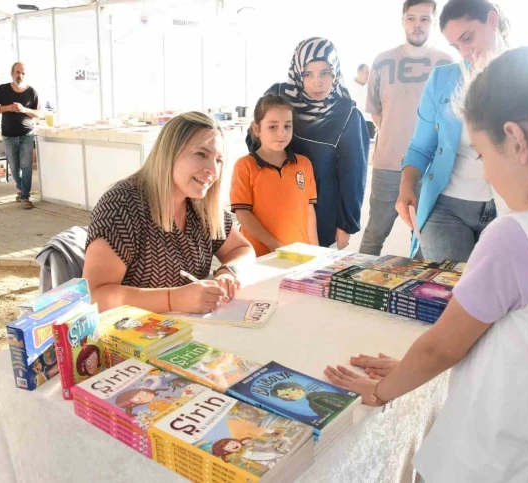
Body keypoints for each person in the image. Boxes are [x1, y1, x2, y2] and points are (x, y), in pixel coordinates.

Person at [326, 46, 528, 483]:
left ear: (516, 140)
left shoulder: (517, 237)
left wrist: (380, 391)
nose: (487, 174)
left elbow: (444, 346)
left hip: (482, 466)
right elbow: (526, 345)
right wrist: (406, 366)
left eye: (480, 155)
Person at [83, 112, 255, 314]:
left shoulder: (201, 204)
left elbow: (243, 249)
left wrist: (228, 272)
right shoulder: (121, 206)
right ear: (169, 152)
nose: (213, 171)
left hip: (191, 330)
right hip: (133, 337)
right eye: (201, 154)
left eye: (218, 160)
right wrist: (173, 300)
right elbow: (94, 297)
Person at [395, 0, 510, 262]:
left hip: (509, 210)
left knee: (498, 297)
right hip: (446, 208)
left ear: (492, 20)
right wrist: (406, 185)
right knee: (447, 293)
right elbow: (420, 147)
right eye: (457, 46)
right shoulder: (443, 79)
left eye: (469, 38)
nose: (466, 52)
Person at [247, 37, 370, 249]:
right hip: (271, 209)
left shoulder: (347, 114)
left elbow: (354, 176)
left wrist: (345, 226)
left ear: (336, 73)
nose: (317, 82)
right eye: (307, 74)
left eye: (325, 73)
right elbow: (255, 143)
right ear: (297, 73)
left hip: (321, 217)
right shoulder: (277, 98)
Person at [358, 0, 452, 256]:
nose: (417, 25)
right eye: (411, 18)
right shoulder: (382, 61)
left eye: (424, 19)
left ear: (433, 23)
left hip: (431, 169)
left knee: (424, 240)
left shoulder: (446, 63)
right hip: (388, 165)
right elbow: (377, 112)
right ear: (403, 20)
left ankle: (416, 295)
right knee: (375, 234)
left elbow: (451, 118)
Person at [231, 94, 318, 256]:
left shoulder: (304, 164)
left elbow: (309, 211)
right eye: (273, 127)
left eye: (287, 126)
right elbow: (243, 213)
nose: (281, 133)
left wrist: (315, 251)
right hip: (260, 256)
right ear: (257, 129)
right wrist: (274, 245)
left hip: (299, 255)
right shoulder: (245, 166)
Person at [0, 62, 40, 210]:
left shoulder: (32, 92)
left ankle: (25, 196)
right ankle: (22, 188)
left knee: (26, 166)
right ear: (12, 73)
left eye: (23, 73)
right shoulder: (3, 89)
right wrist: (9, 108)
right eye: (18, 72)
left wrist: (24, 109)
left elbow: (38, 113)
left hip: (27, 134)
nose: (20, 75)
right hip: (9, 134)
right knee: (14, 167)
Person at [350, 64, 376, 139]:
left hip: (369, 122)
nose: (368, 76)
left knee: (368, 147)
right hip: (354, 122)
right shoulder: (348, 85)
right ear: (359, 72)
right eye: (366, 73)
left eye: (370, 73)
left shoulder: (372, 87)